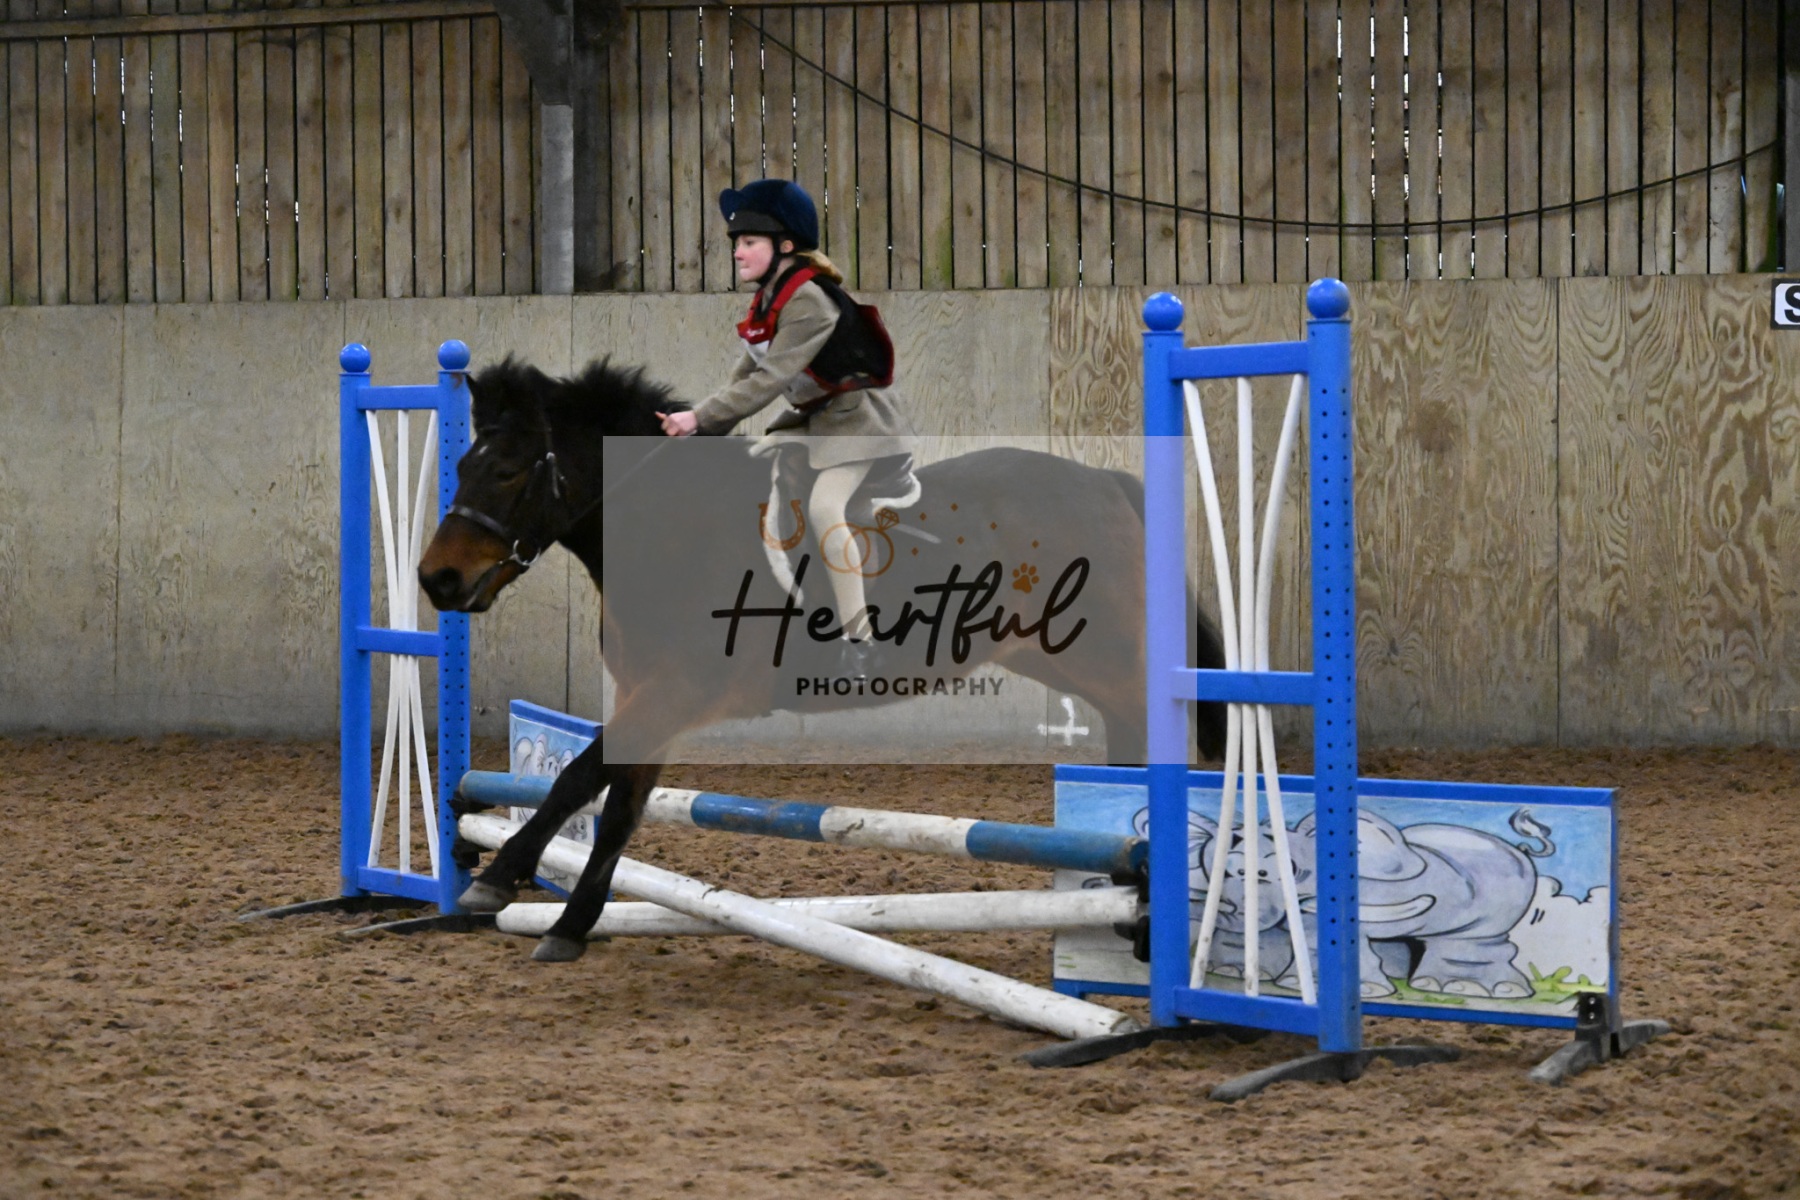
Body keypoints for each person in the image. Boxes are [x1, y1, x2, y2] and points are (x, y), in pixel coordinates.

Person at [658, 179, 914, 677]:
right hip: (816, 420)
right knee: (754, 471)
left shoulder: (809, 302)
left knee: (824, 508)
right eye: (736, 242)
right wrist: (699, 428)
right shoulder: (769, 301)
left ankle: (861, 640)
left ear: (786, 246)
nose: (738, 252)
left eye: (749, 241)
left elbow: (770, 381)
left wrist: (700, 418)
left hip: (860, 422)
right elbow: (744, 375)